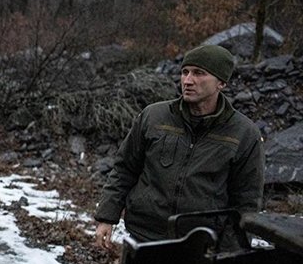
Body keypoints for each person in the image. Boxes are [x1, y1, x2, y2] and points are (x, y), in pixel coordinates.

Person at [94, 44, 264, 251]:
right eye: (185, 72)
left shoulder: (243, 133)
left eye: (199, 73)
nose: (188, 80)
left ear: (221, 82)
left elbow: (246, 200)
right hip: (144, 236)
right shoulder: (154, 116)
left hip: (202, 244)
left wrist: (233, 252)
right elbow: (124, 169)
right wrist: (106, 218)